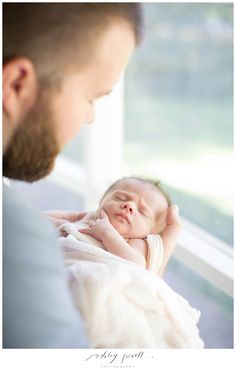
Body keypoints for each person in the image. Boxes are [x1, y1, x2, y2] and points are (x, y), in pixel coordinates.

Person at [2, 3, 181, 348]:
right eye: (91, 97)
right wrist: (146, 284)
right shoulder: (13, 243)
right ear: (16, 84)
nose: (89, 118)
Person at [56, 176, 178, 276]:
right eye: (120, 198)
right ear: (102, 201)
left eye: (142, 211)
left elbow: (136, 264)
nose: (129, 205)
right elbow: (48, 219)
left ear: (151, 232)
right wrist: (65, 225)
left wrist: (106, 233)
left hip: (96, 275)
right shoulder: (89, 217)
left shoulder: (136, 242)